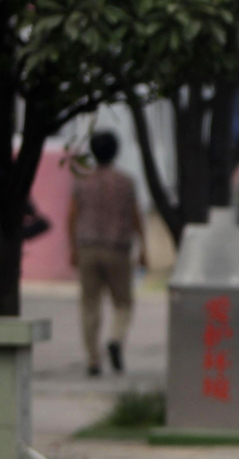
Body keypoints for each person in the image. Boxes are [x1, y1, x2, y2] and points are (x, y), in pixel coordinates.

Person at [68, 131, 146, 377]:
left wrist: (72, 247)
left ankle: (93, 360)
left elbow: (71, 215)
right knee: (123, 303)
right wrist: (143, 246)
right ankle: (115, 338)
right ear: (116, 151)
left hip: (88, 247)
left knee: (90, 305)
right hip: (117, 249)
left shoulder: (82, 181)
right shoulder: (126, 181)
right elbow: (135, 216)